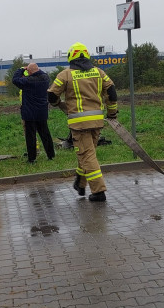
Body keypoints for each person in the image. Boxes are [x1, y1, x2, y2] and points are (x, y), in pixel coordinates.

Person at [48, 42, 117, 202]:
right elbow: (112, 93)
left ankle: (99, 191)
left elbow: (51, 96)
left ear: (71, 57)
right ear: (87, 56)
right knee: (87, 153)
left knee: (87, 155)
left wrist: (59, 104)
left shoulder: (65, 75)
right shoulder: (99, 72)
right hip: (97, 121)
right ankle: (80, 182)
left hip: (79, 124)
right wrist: (112, 113)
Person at [12, 62, 55, 163]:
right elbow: (41, 72)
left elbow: (15, 80)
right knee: (45, 134)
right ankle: (51, 154)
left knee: (30, 136)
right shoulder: (45, 78)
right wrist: (32, 69)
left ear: (29, 71)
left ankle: (32, 158)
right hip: (42, 112)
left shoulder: (28, 81)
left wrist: (22, 69)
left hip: (30, 113)